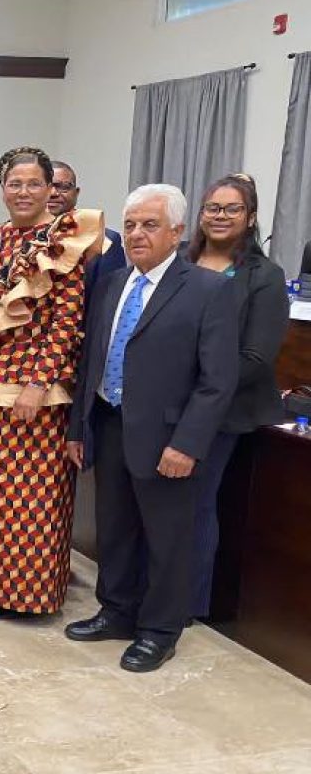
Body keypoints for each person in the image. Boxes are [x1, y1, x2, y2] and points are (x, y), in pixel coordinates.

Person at [65, 184, 238, 672]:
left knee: (166, 539)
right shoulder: (111, 283)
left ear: (178, 232)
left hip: (167, 438)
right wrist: (79, 427)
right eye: (132, 223)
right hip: (110, 424)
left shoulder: (209, 290)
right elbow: (91, 362)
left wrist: (187, 443)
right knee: (114, 529)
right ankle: (116, 611)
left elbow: (217, 382)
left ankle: (160, 630)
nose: (137, 234)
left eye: (150, 225)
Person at [0, 147, 104, 620]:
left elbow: (67, 318)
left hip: (37, 384)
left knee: (31, 496)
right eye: (14, 183)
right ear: (2, 189)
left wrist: (39, 382)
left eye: (34, 184)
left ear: (50, 189)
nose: (23, 192)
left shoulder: (65, 237)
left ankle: (27, 595)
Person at [181, 174, 287, 620]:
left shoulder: (263, 276)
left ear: (251, 218)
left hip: (222, 412)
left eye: (232, 209)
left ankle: (187, 607)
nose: (220, 217)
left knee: (195, 506)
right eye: (212, 209)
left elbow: (256, 357)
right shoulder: (181, 265)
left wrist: (200, 392)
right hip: (172, 405)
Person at [48, 160, 127, 301]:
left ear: (76, 193)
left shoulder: (104, 240)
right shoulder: (17, 238)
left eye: (64, 187)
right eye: (47, 186)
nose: (53, 193)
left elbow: (107, 304)